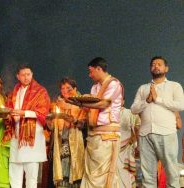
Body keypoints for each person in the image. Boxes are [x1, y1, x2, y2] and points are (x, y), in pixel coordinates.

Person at [67, 57, 123, 188]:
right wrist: (80, 103)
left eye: (91, 71)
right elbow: (91, 105)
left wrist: (80, 102)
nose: (89, 75)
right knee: (91, 173)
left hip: (107, 136)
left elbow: (103, 103)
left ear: (99, 69)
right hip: (93, 135)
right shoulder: (94, 87)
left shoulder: (114, 84)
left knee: (103, 174)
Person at [130, 56, 184, 187]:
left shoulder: (174, 86)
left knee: (171, 173)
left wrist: (157, 99)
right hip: (145, 135)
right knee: (148, 176)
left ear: (166, 68)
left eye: (159, 64)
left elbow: (180, 105)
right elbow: (133, 109)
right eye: (153, 64)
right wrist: (146, 101)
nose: (156, 66)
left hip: (166, 133)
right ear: (150, 68)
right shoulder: (143, 88)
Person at [3, 64, 51, 188]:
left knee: (31, 177)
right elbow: (8, 108)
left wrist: (23, 113)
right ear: (18, 76)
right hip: (16, 135)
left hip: (31, 138)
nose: (26, 77)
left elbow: (43, 112)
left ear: (32, 75)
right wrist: (8, 115)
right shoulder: (14, 92)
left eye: (28, 74)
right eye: (23, 75)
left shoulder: (40, 91)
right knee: (14, 174)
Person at [47, 77, 86, 188]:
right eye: (63, 88)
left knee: (73, 175)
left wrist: (74, 120)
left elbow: (84, 125)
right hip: (60, 144)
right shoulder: (56, 105)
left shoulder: (81, 104)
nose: (65, 91)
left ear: (75, 89)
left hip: (76, 144)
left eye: (68, 88)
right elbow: (53, 128)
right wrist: (50, 123)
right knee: (61, 174)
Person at [117, 100, 140, 188]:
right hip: (109, 148)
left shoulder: (130, 113)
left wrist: (136, 144)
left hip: (126, 150)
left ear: (123, 101)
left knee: (125, 172)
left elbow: (138, 128)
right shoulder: (107, 113)